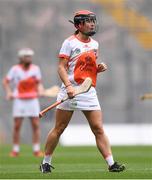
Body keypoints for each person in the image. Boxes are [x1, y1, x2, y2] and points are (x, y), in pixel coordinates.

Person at [40, 10, 125, 173]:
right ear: (79, 25)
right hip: (70, 90)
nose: (92, 23)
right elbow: (61, 67)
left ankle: (111, 164)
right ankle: (45, 162)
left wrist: (97, 68)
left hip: (88, 90)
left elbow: (85, 68)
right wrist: (69, 86)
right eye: (88, 21)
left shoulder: (94, 44)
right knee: (59, 128)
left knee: (98, 128)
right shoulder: (69, 42)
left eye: (93, 20)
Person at [3, 48, 44, 157]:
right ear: (21, 58)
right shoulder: (15, 69)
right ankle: (15, 150)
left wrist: (40, 90)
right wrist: (9, 92)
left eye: (30, 56)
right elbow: (5, 82)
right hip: (19, 101)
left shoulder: (35, 69)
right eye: (26, 56)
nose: (29, 58)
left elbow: (39, 83)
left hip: (32, 100)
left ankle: (36, 150)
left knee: (35, 125)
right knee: (17, 126)